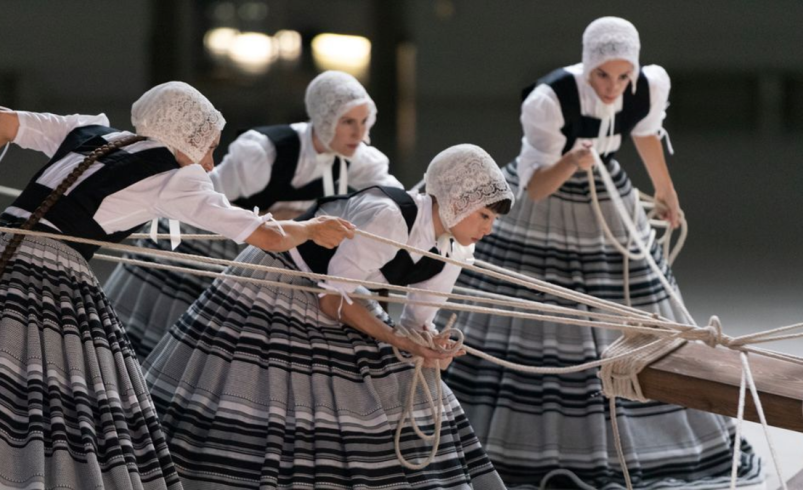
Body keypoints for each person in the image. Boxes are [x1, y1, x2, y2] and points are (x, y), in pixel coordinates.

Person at [436, 17, 763, 489]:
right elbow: (536, 186)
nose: (613, 87)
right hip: (547, 206)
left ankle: (639, 433)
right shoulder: (550, 101)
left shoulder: (647, 87)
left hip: (607, 198)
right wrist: (573, 158)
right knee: (546, 318)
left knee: (632, 301)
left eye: (623, 76)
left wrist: (665, 189)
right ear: (587, 67)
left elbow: (645, 133)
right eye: (602, 76)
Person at [0, 81, 353, 490]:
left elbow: (5, 122)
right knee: (66, 393)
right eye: (210, 147)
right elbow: (268, 236)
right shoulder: (176, 176)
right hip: (48, 273)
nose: (209, 163)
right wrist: (311, 228)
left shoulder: (88, 131)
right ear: (190, 136)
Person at [142, 144, 513, 489]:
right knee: (277, 395)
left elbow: (416, 322)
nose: (488, 228)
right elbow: (331, 301)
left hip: (341, 292)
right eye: (484, 215)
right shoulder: (388, 217)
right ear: (455, 201)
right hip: (286, 278)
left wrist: (430, 347)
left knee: (384, 384)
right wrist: (398, 339)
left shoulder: (454, 252)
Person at [104, 70, 402, 360]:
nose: (359, 132)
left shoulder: (363, 162)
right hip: (217, 246)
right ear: (325, 118)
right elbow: (202, 197)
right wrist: (280, 216)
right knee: (178, 338)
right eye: (348, 121)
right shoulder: (265, 152)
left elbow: (395, 203)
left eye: (364, 121)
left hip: (280, 259)